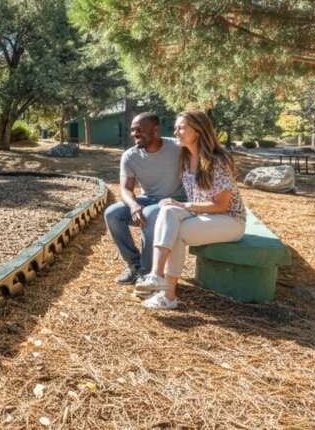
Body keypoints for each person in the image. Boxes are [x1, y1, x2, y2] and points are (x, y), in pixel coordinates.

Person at [136, 111, 247, 310]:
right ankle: (156, 276)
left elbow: (220, 205)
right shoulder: (186, 159)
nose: (176, 132)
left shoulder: (218, 160)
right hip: (204, 216)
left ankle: (167, 296)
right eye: (176, 128)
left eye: (181, 128)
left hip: (229, 220)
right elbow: (158, 140)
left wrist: (184, 205)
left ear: (197, 131)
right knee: (168, 212)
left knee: (175, 229)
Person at [104, 112, 185, 295]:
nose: (134, 134)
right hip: (148, 199)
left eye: (140, 130)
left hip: (176, 201)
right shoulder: (130, 156)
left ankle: (149, 274)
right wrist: (133, 205)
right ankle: (135, 265)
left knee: (149, 215)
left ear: (155, 129)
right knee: (112, 214)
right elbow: (125, 189)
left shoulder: (177, 147)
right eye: (132, 130)